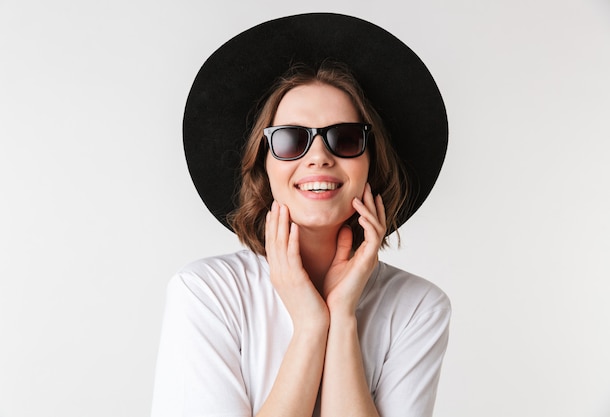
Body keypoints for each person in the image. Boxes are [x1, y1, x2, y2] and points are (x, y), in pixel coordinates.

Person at [152, 13, 450, 417]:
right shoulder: (207, 294)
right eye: (292, 140)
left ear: (372, 163)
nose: (319, 158)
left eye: (344, 138)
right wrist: (311, 326)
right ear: (263, 165)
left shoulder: (417, 306)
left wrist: (342, 315)